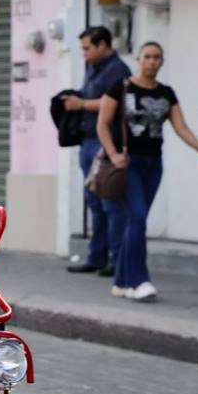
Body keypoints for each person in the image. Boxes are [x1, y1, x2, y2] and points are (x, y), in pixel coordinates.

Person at [97, 42, 198, 302]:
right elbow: (102, 125)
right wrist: (114, 155)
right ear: (139, 59)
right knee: (138, 217)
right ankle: (139, 281)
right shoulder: (121, 87)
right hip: (127, 164)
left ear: (162, 62)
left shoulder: (166, 93)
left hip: (153, 164)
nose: (152, 61)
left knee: (136, 221)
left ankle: (121, 282)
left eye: (157, 57)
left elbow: (181, 127)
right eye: (147, 56)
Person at [64, 26, 130, 276]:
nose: (84, 54)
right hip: (87, 140)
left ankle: (117, 259)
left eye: (87, 48)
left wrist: (81, 104)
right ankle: (97, 256)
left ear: (103, 45)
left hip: (106, 144)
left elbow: (112, 103)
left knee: (110, 201)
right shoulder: (92, 66)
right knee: (93, 200)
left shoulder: (119, 70)